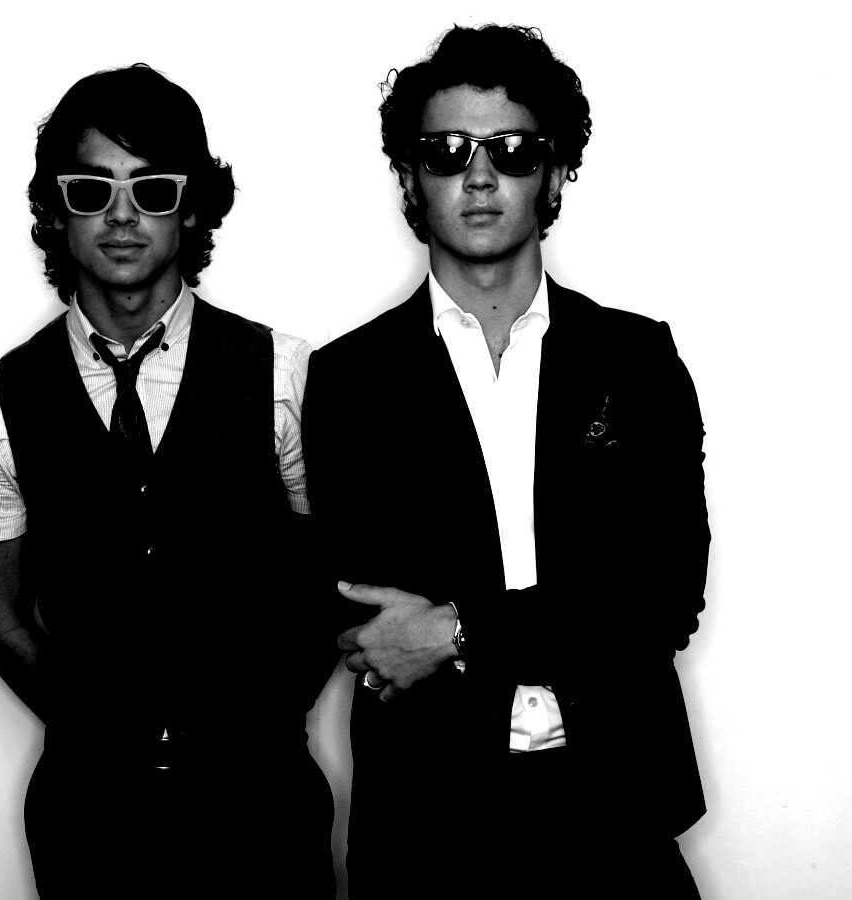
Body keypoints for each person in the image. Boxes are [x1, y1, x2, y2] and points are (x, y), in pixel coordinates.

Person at [304, 24, 708, 897]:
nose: (480, 176)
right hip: (431, 828)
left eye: (512, 150)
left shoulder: (636, 361)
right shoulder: (346, 380)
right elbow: (374, 622)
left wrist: (457, 629)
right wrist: (565, 612)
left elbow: (662, 595)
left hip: (619, 810)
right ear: (409, 179)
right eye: (447, 152)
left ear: (554, 174)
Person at [0, 63, 334, 898]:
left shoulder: (285, 374)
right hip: (89, 818)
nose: (121, 216)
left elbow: (328, 579)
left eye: (153, 190)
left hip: (264, 808)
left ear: (191, 208)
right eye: (91, 191)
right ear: (55, 210)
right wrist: (95, 719)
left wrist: (258, 716)